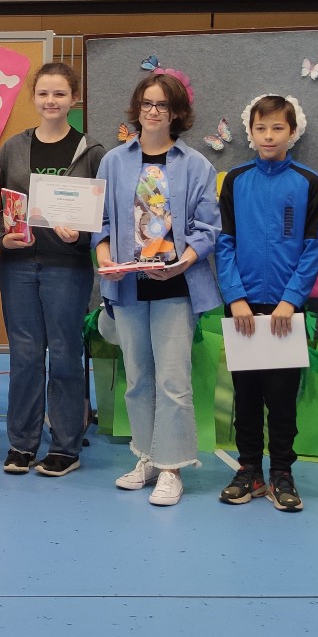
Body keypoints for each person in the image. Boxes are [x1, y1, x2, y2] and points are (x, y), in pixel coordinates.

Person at [93, 71, 221, 507]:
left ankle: (172, 468)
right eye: (147, 103)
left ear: (176, 113)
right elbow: (101, 223)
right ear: (137, 109)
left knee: (173, 381)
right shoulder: (114, 162)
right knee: (138, 379)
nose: (153, 111)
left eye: (162, 105)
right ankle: (147, 457)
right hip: (127, 287)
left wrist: (184, 261)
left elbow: (208, 228)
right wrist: (104, 258)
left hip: (176, 286)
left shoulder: (196, 165)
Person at [214, 94, 318, 512]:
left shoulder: (308, 182)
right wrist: (236, 297)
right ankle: (249, 470)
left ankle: (281, 472)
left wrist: (291, 300)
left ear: (292, 132)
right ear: (250, 132)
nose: (269, 135)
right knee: (246, 396)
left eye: (278, 127)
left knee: (281, 397)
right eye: (261, 128)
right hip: (243, 308)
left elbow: (313, 246)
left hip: (284, 311)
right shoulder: (236, 180)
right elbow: (224, 243)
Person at [0, 62, 105, 478]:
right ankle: (22, 443)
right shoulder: (13, 148)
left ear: (74, 98)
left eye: (59, 94)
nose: (51, 101)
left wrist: (83, 237)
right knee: (24, 355)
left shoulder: (92, 152)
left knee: (64, 353)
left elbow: (104, 216)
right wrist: (1, 239)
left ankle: (65, 446)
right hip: (18, 266)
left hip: (67, 268)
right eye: (43, 93)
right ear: (33, 98)